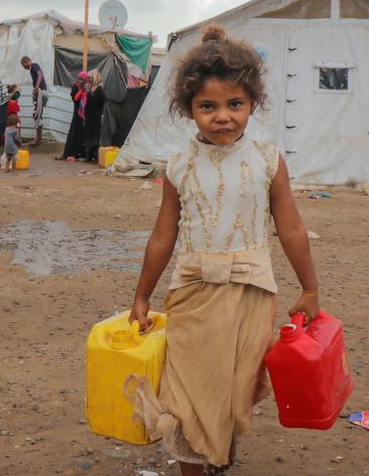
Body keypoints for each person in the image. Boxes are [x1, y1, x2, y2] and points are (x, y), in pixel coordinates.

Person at [124, 25, 320, 475]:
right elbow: (162, 236)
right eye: (207, 106)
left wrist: (310, 287)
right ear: (188, 109)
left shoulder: (268, 160)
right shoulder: (179, 166)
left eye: (235, 104)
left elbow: (290, 227)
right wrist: (141, 295)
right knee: (190, 392)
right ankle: (194, 463)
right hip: (192, 295)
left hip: (252, 294)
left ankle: (219, 456)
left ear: (252, 103)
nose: (222, 116)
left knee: (234, 387)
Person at [60, 72, 90, 161]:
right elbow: (75, 99)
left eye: (83, 79)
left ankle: (82, 153)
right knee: (75, 132)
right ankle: (71, 152)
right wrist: (82, 90)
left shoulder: (88, 86)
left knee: (83, 133)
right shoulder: (75, 86)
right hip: (77, 113)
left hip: (86, 114)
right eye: (80, 79)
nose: (81, 81)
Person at [20, 56, 48, 146]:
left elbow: (40, 74)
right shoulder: (32, 69)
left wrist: (36, 87)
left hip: (41, 93)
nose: (24, 68)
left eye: (23, 65)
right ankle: (38, 137)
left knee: (37, 114)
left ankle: (38, 138)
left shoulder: (34, 66)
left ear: (25, 62)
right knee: (38, 114)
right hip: (41, 93)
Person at [82, 70, 106, 163]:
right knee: (88, 134)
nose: (100, 76)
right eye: (98, 75)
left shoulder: (100, 89)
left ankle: (96, 156)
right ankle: (88, 155)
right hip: (89, 116)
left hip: (96, 115)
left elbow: (102, 101)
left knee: (96, 135)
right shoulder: (89, 88)